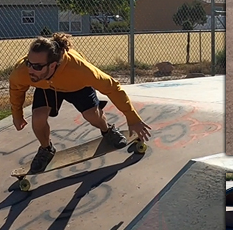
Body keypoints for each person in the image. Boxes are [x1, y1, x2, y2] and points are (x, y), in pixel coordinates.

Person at [9, 33, 152, 173]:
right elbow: (16, 89)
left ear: (52, 65)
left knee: (92, 116)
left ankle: (107, 131)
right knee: (38, 119)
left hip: (76, 86)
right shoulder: (22, 70)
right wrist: (17, 114)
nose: (30, 70)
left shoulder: (80, 69)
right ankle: (46, 149)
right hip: (47, 86)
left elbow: (112, 88)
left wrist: (132, 117)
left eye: (37, 66)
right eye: (29, 63)